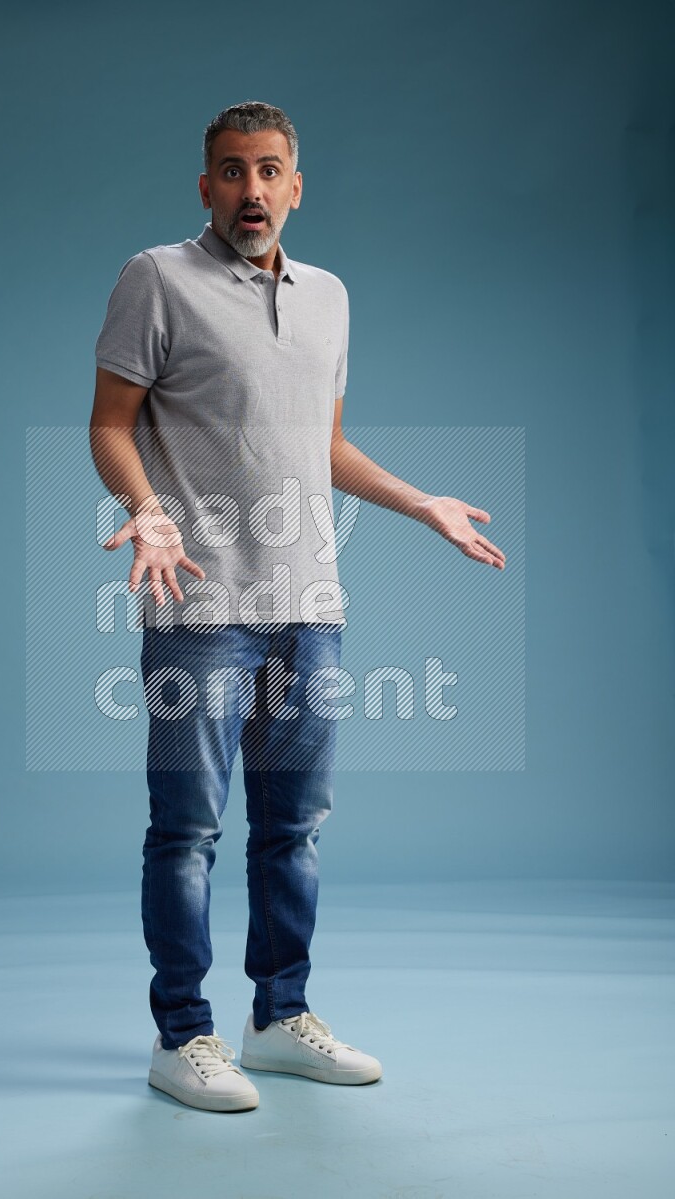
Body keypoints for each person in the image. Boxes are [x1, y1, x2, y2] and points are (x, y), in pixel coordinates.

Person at [90, 100, 506, 1113]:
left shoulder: (327, 296)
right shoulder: (156, 278)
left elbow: (323, 444)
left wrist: (420, 502)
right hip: (199, 604)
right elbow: (109, 423)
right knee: (187, 829)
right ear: (206, 187)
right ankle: (182, 1034)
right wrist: (147, 511)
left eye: (269, 169)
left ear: (296, 185)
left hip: (308, 602)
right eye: (232, 171)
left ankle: (278, 1018)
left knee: (295, 826)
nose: (252, 189)